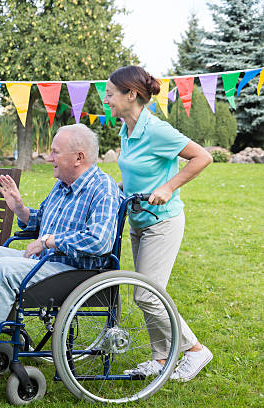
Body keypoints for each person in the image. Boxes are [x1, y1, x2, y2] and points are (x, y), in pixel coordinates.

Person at [0, 124, 122, 377]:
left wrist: (50, 241)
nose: (49, 158)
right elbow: (39, 223)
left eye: (55, 152)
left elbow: (100, 241)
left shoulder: (102, 188)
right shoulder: (62, 185)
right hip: (45, 262)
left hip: (74, 271)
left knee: (4, 268)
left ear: (79, 157)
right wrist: (20, 209)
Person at [103, 65, 213, 382]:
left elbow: (203, 157)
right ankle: (162, 357)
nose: (107, 100)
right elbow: (139, 170)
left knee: (147, 294)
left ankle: (193, 349)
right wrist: (121, 187)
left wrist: (168, 187)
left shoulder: (156, 130)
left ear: (131, 95)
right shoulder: (126, 128)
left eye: (111, 95)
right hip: (139, 219)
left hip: (162, 222)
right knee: (151, 291)